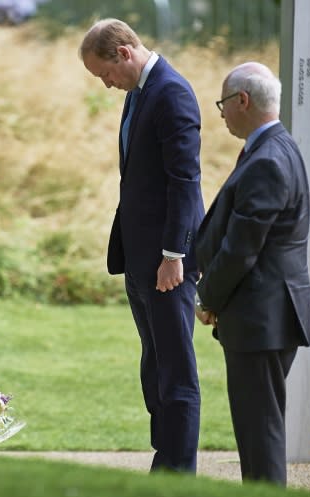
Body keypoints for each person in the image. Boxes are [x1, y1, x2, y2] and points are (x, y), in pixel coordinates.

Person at [79, 19, 204, 473]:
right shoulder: (139, 94)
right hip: (139, 258)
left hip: (166, 263)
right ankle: (164, 459)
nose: (107, 85)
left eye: (105, 74)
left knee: (176, 372)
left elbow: (185, 181)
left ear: (124, 53)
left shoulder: (172, 93)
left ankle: (178, 471)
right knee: (154, 365)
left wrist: (174, 255)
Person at [194, 62, 310, 487]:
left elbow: (242, 248)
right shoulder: (280, 148)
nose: (222, 113)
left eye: (223, 104)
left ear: (242, 101)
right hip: (269, 313)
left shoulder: (267, 159)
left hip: (261, 317)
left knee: (259, 432)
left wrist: (207, 298)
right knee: (258, 429)